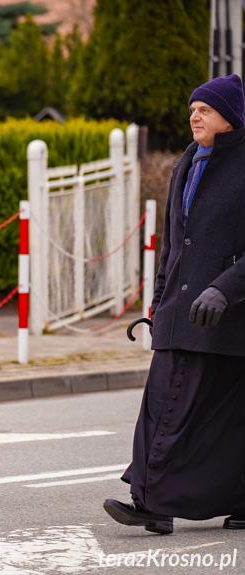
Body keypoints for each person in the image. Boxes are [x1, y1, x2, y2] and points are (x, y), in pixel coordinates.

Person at [104, 74, 245, 535]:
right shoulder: (188, 161)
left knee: (211, 416)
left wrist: (225, 288)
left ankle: (155, 503)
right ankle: (154, 500)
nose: (195, 115)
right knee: (165, 404)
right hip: (180, 315)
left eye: (205, 108)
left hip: (228, 316)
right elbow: (173, 243)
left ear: (232, 117)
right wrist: (159, 302)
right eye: (192, 108)